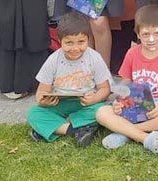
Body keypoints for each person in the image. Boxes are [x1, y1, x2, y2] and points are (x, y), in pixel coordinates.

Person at [95, 5, 158, 154]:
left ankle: (126, 132)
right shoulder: (132, 53)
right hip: (134, 102)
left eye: (157, 33)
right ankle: (143, 137)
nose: (151, 39)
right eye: (145, 34)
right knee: (101, 112)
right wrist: (119, 100)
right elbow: (125, 82)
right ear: (137, 33)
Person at [27, 12, 112, 146]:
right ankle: (75, 130)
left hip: (85, 104)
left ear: (88, 40)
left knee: (105, 110)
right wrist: (44, 102)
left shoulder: (94, 58)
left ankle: (53, 128)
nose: (75, 48)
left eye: (81, 42)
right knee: (34, 113)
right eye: (69, 43)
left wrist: (95, 99)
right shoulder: (53, 60)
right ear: (60, 41)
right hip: (60, 104)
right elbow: (40, 93)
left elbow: (105, 89)